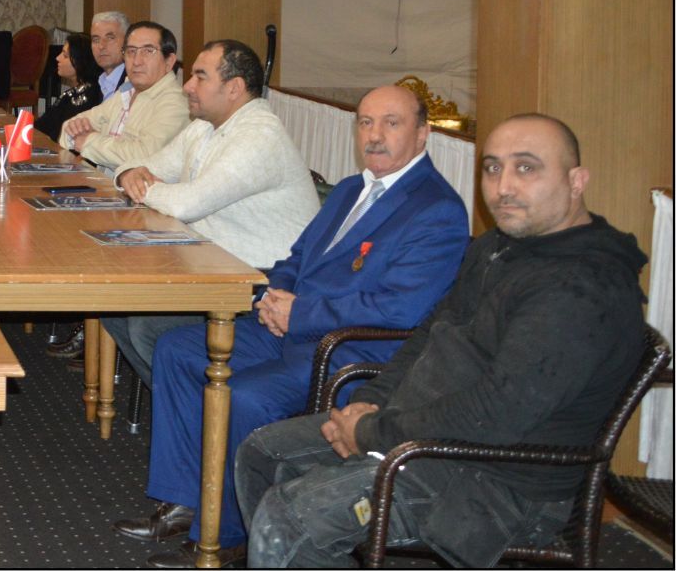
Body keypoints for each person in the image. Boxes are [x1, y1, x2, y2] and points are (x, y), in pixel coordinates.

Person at [237, 114, 646, 569]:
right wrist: (371, 403)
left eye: (526, 168)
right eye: (493, 168)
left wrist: (371, 432)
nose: (504, 187)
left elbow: (496, 414)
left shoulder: (580, 288)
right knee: (262, 453)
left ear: (576, 181)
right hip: (428, 439)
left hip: (495, 485)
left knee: (289, 520)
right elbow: (429, 334)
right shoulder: (498, 248)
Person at [112, 84, 468, 568]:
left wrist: (299, 313)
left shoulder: (436, 209)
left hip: (348, 354)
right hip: (289, 331)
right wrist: (274, 297)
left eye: (392, 123)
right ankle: (186, 501)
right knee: (178, 350)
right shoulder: (351, 189)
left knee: (244, 396)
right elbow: (296, 257)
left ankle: (226, 537)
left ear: (423, 134)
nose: (375, 135)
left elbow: (398, 311)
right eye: (365, 122)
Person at [101, 40, 320, 390]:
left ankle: (206, 412)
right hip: (210, 266)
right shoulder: (205, 125)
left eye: (200, 77)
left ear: (234, 88)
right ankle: (187, 404)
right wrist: (128, 174)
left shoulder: (260, 136)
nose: (187, 86)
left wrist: (144, 188)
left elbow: (187, 204)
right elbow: (144, 166)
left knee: (147, 326)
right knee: (113, 306)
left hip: (263, 283)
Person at [58, 20, 190, 171]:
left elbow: (142, 156)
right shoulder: (127, 91)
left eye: (148, 51)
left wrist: (88, 142)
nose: (137, 61)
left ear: (169, 61)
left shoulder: (176, 103)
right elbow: (69, 128)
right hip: (103, 182)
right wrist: (79, 135)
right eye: (131, 51)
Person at [32, 31, 105, 141]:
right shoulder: (72, 93)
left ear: (80, 61)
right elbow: (42, 125)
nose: (58, 58)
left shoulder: (88, 96)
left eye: (65, 56)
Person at [89, 10, 133, 101]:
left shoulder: (136, 82)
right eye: (96, 40)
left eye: (110, 38)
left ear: (127, 41)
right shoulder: (92, 87)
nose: (101, 46)